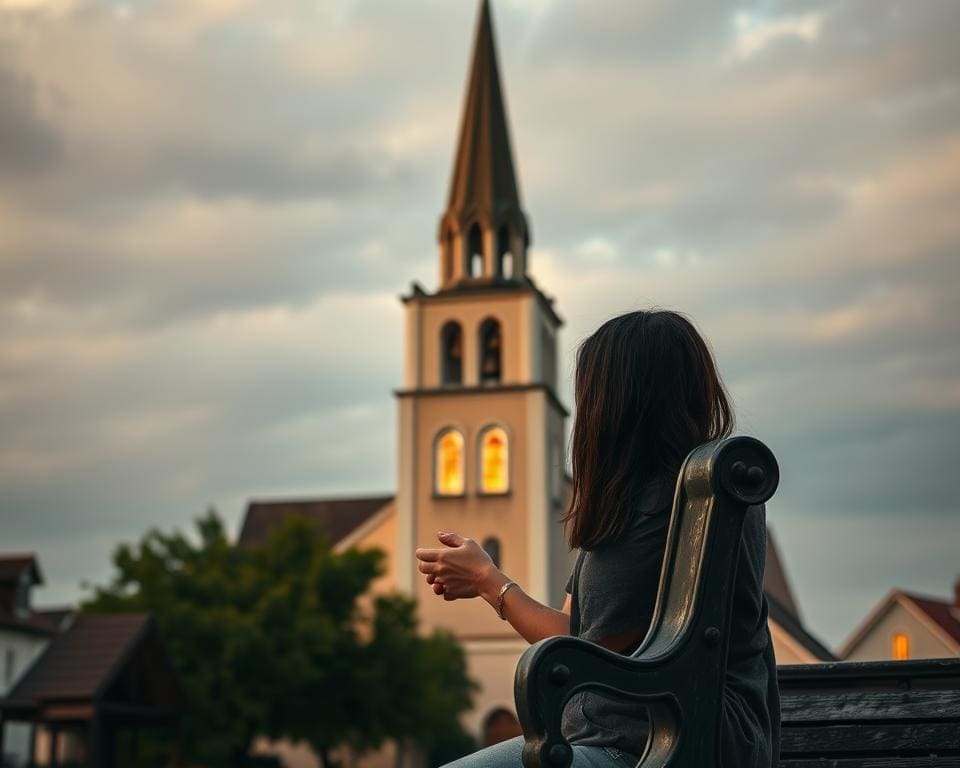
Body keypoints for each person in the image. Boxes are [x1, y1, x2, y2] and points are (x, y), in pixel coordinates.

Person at [415, 309, 780, 768]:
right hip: (694, 739)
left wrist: (490, 582)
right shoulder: (698, 491)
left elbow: (580, 649)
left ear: (614, 402)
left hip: (645, 745)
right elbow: (583, 625)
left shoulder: (659, 506)